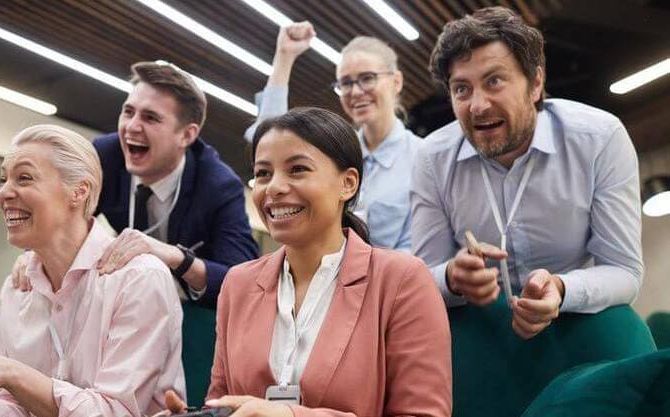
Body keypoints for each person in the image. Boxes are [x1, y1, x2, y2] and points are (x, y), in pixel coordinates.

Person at [163, 108, 452, 416]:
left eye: (297, 169)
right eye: (263, 173)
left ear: (348, 184)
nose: (274, 187)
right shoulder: (238, 284)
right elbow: (221, 401)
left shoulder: (402, 281)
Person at [0, 125, 185, 417]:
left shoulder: (139, 278)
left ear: (79, 191)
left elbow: (116, 412)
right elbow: (19, 409)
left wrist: (10, 372)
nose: (4, 192)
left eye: (24, 178)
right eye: (3, 180)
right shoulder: (17, 288)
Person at [410, 6, 643, 339]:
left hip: (578, 323)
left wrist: (561, 289)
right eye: (461, 89)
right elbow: (422, 280)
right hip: (481, 335)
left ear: (535, 83)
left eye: (494, 81)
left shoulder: (599, 139)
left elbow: (624, 271)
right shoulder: (431, 159)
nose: (478, 105)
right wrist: (451, 277)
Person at [15, 62, 259, 309]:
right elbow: (60, 214)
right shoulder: (104, 156)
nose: (131, 127)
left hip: (190, 304)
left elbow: (242, 279)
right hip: (125, 292)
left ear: (186, 135)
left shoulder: (219, 185)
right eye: (128, 112)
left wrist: (176, 257)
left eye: (150, 118)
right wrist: (35, 253)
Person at [243, 22, 420, 252]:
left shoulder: (422, 157)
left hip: (391, 274)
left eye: (367, 78)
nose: (355, 91)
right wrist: (284, 57)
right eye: (345, 83)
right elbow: (272, 139)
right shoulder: (331, 152)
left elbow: (420, 248)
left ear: (396, 81)